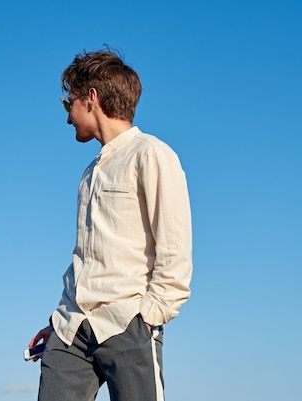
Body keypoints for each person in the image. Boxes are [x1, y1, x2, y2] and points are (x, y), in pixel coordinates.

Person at [29, 48, 193, 401]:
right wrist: (58, 322)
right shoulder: (89, 173)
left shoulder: (151, 154)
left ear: (91, 98)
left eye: (67, 103)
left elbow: (175, 247)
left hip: (128, 322)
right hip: (71, 330)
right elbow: (89, 255)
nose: (67, 117)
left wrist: (148, 317)